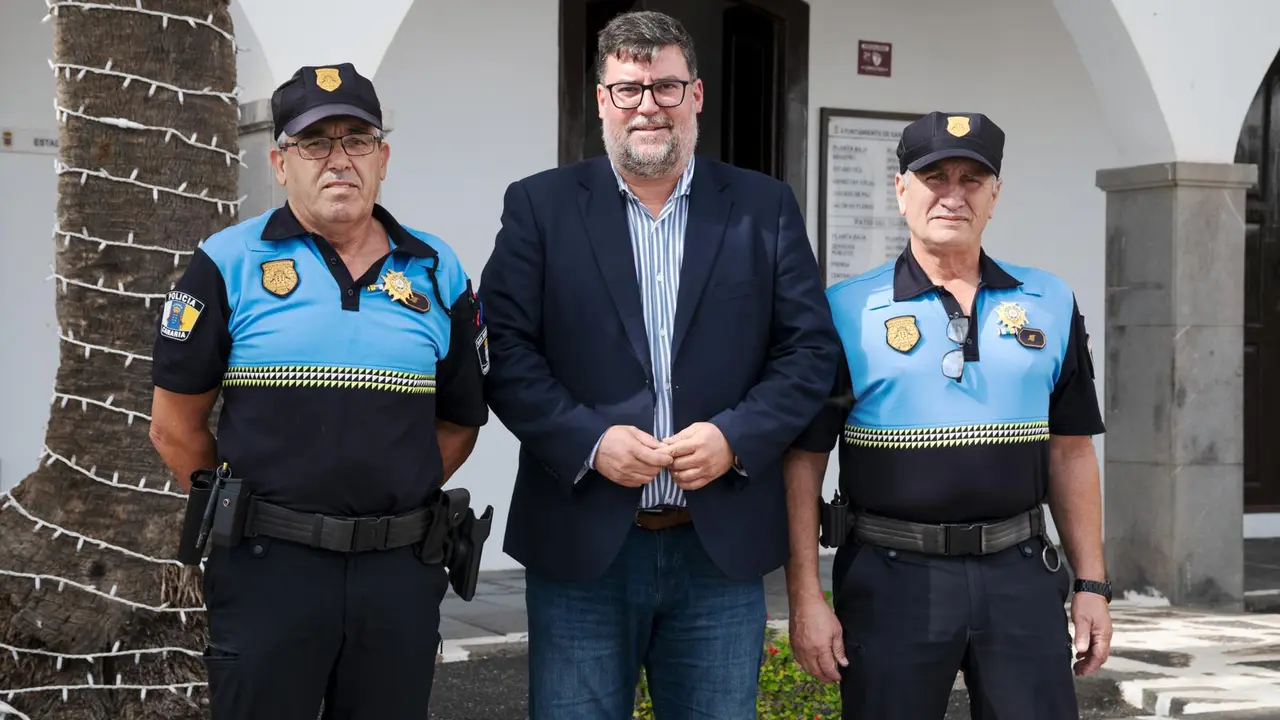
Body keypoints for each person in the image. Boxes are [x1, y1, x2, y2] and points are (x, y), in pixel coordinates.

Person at [478, 10, 840, 719]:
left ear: (696, 94)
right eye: (628, 89)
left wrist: (736, 436)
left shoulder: (762, 207)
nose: (648, 105)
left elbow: (809, 351)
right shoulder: (540, 207)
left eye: (666, 87)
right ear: (602, 100)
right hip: (581, 546)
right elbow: (506, 353)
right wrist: (589, 441)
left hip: (719, 549)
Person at [147, 62, 489, 720]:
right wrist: (256, 514)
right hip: (267, 570)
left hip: (399, 574)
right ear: (280, 163)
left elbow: (458, 423)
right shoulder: (227, 262)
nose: (339, 160)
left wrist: (384, 507)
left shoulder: (437, 269)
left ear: (382, 159)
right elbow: (174, 426)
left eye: (357, 140)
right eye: (314, 143)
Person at [782, 111, 1112, 718]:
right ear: (901, 189)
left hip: (1020, 576)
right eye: (935, 177)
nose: (953, 195)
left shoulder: (1049, 302)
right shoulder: (845, 310)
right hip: (890, 580)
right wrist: (805, 594)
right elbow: (804, 461)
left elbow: (1070, 450)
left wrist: (1091, 583)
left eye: (972, 179)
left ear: (995, 195)